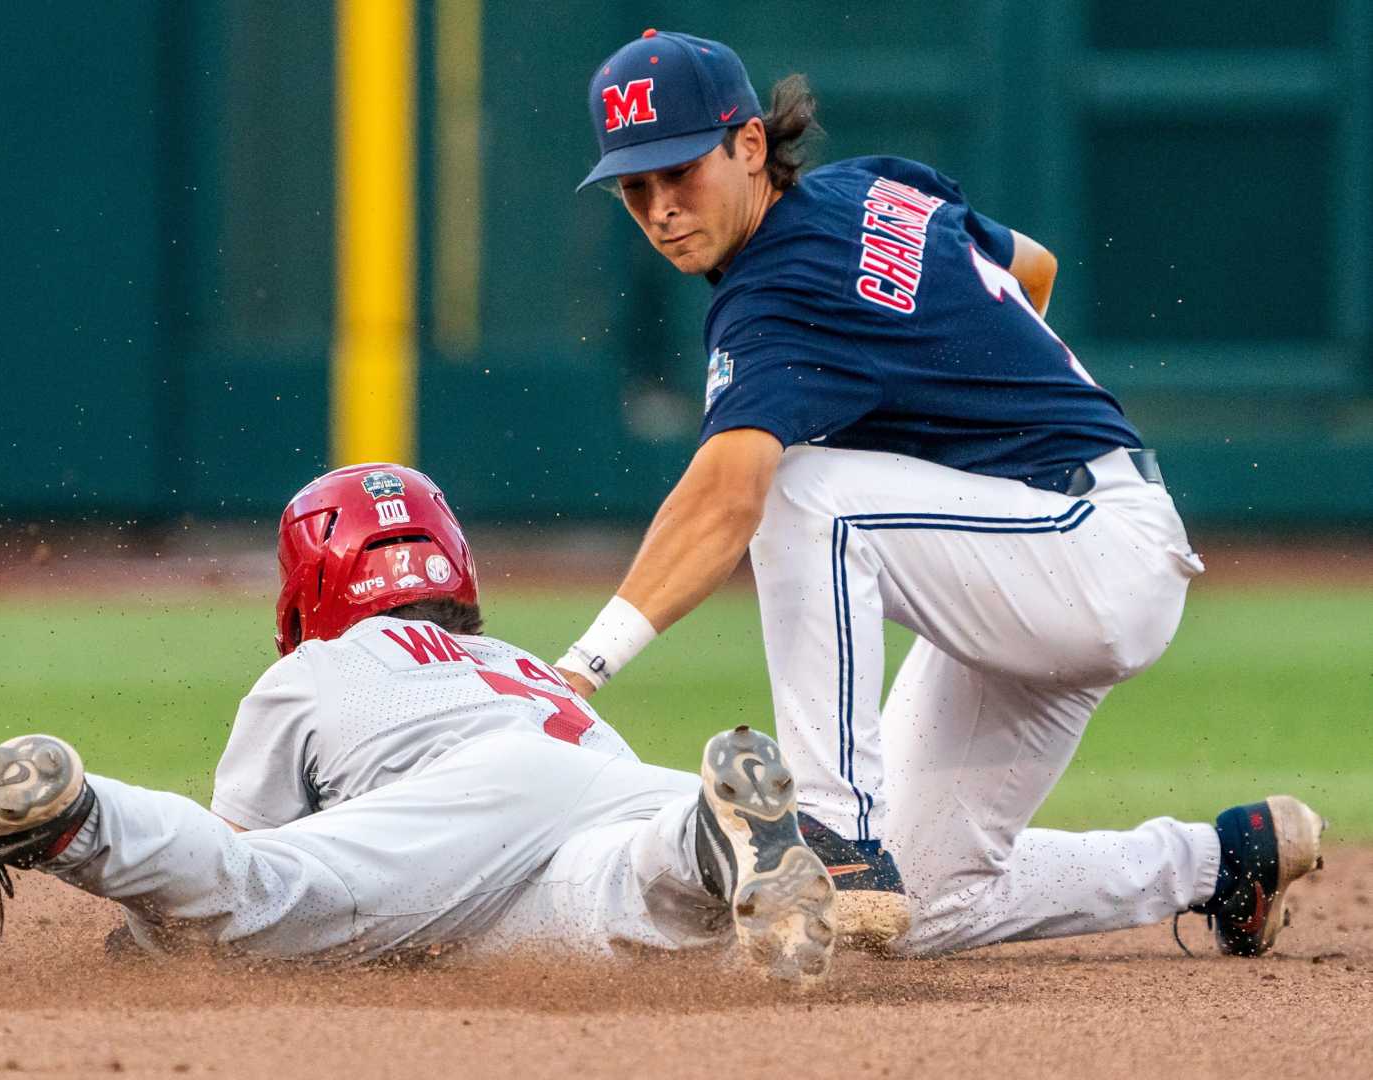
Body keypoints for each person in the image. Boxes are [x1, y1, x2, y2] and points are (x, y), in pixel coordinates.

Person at [554, 30, 1324, 957]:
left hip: (1088, 540)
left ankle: (833, 830)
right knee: (917, 909)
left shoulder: (773, 291)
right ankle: (1221, 863)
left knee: (803, 494)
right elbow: (1030, 269)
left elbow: (726, 499)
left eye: (680, 171)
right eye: (637, 188)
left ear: (749, 145)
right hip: (1041, 552)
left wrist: (581, 668)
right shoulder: (876, 185)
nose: (662, 207)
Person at [0, 464, 837, 980]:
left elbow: (238, 858)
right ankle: (705, 838)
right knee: (625, 901)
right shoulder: (522, 666)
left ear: (314, 578)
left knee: (252, 901)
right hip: (615, 790)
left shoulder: (319, 666)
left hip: (457, 812)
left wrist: (157, 929)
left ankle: (77, 820)